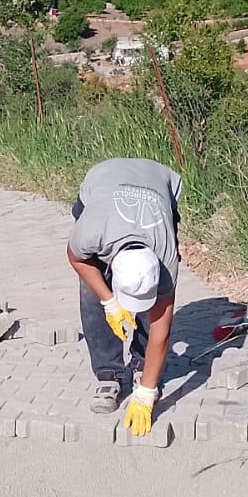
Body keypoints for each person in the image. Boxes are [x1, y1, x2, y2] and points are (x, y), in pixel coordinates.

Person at [66, 158, 182, 437]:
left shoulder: (166, 258)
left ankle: (144, 366)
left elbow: (161, 331)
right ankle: (110, 373)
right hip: (104, 179)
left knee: (154, 306)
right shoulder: (91, 231)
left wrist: (146, 393)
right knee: (91, 288)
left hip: (158, 182)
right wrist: (109, 300)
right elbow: (76, 259)